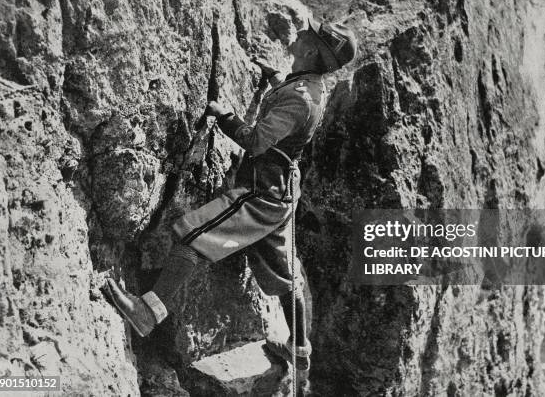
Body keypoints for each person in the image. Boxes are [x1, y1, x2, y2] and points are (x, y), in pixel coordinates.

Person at [103, 19, 357, 372]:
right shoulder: (310, 86)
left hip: (260, 194)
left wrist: (226, 117)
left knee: (192, 234)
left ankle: (148, 312)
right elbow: (292, 104)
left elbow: (255, 140)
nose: (299, 32)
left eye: (307, 34)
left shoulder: (300, 100)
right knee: (283, 274)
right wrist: (273, 80)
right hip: (280, 194)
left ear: (312, 50)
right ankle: (299, 348)